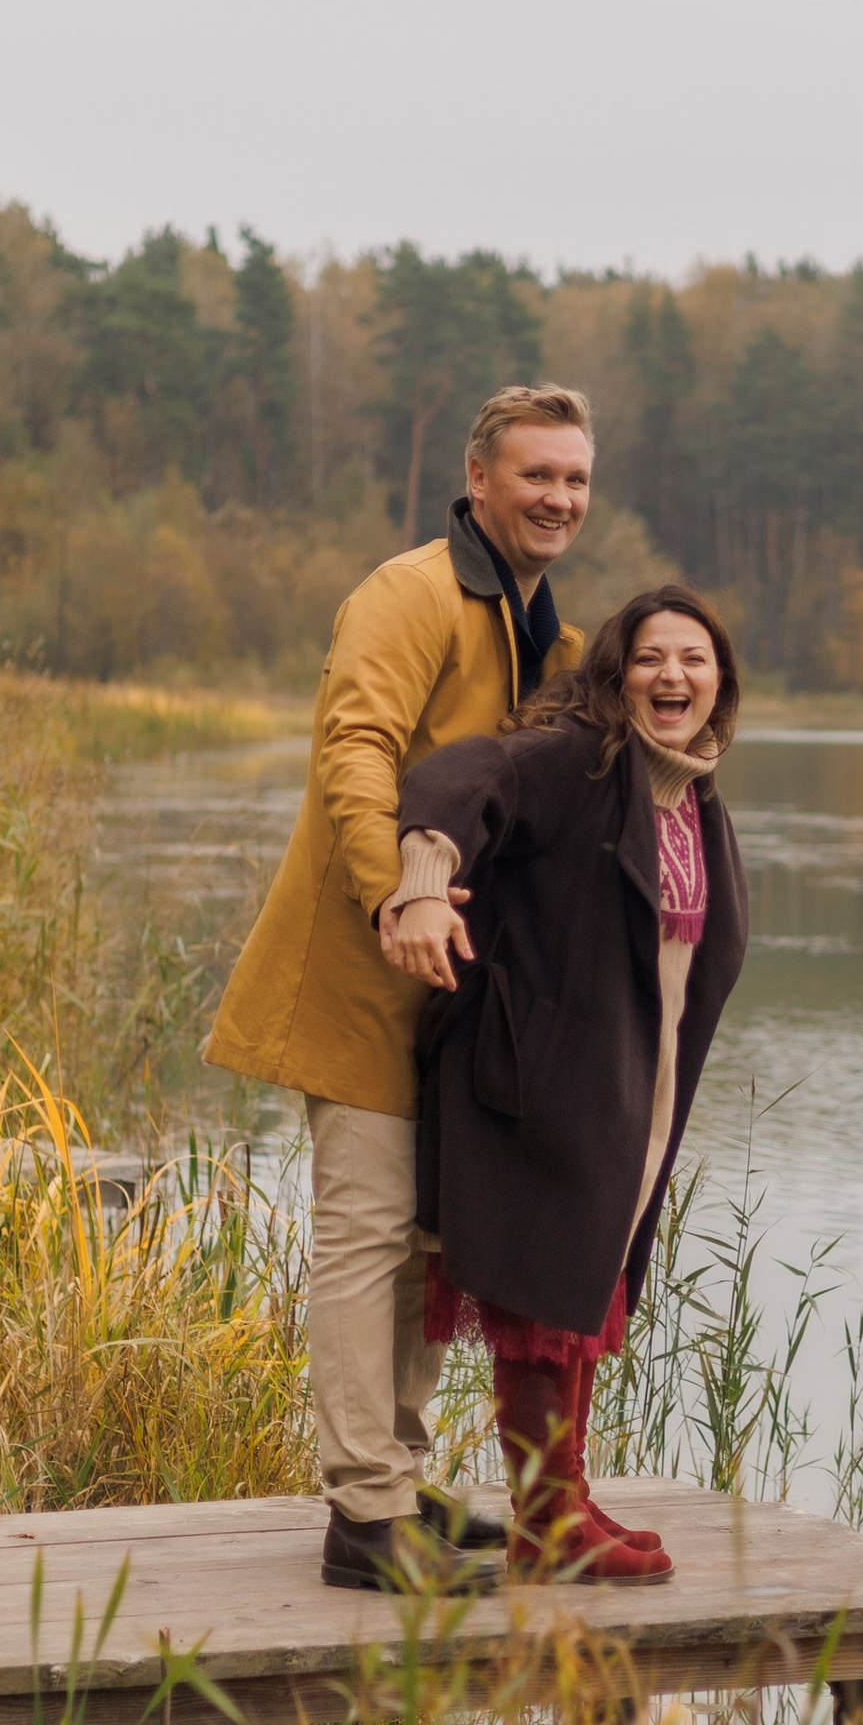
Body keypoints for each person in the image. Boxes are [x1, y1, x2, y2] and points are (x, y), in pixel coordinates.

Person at [203, 384, 595, 1590]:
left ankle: (398, 1480)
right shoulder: (411, 591)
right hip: (360, 971)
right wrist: (399, 895)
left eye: (576, 481)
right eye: (536, 476)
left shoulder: (554, 639)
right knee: (366, 1238)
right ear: (478, 479)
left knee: (431, 1248)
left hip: (456, 999)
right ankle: (364, 1525)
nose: (558, 499)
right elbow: (356, 750)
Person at [382, 586, 747, 1580]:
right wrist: (422, 881)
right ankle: (546, 1524)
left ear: (720, 685)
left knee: (581, 1295)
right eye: (650, 657)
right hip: (541, 1079)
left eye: (693, 660)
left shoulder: (691, 798)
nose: (672, 676)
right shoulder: (575, 763)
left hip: (635, 1085)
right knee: (547, 1299)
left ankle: (566, 1500)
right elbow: (458, 777)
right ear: (615, 674)